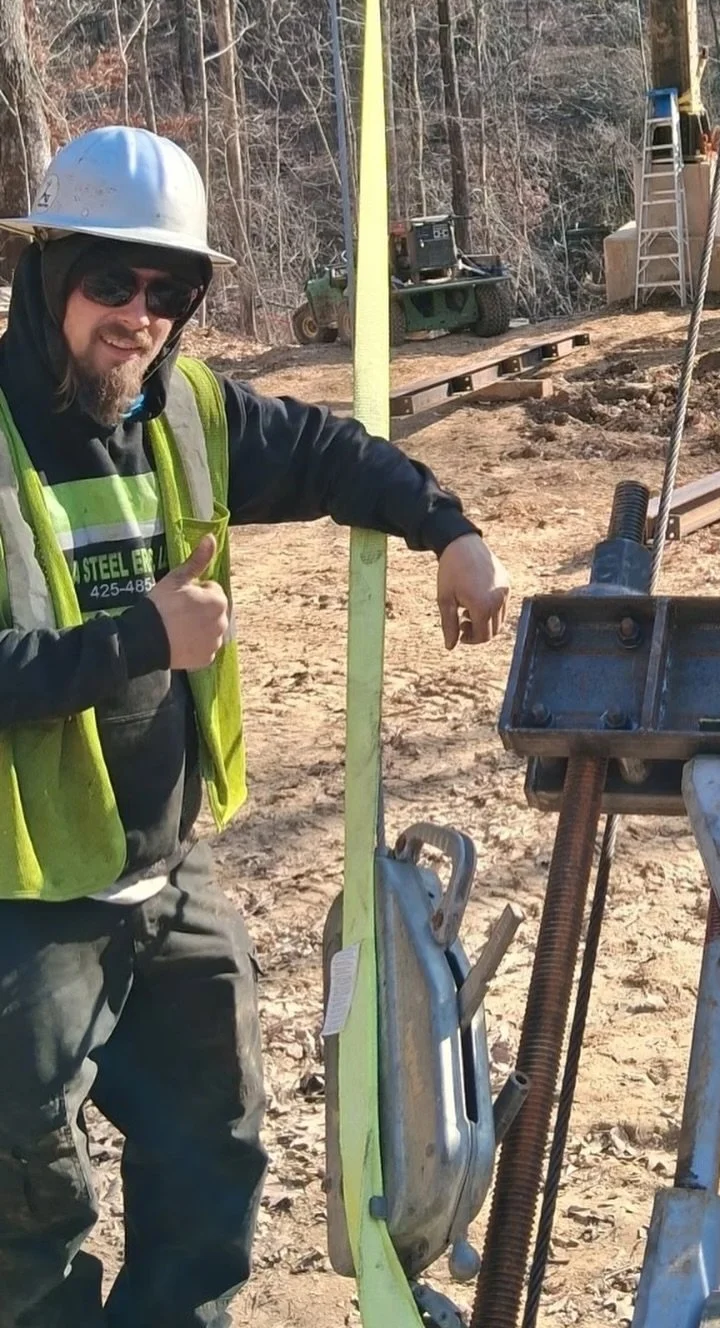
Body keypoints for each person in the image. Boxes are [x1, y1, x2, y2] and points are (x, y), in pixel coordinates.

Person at [0, 126, 512, 1328]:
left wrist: (451, 531)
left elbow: (331, 453)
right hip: (24, 901)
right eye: (110, 281)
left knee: (214, 1156)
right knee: (28, 1205)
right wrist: (138, 639)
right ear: (44, 275)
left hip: (169, 878)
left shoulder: (186, 411)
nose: (139, 316)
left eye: (168, 291)